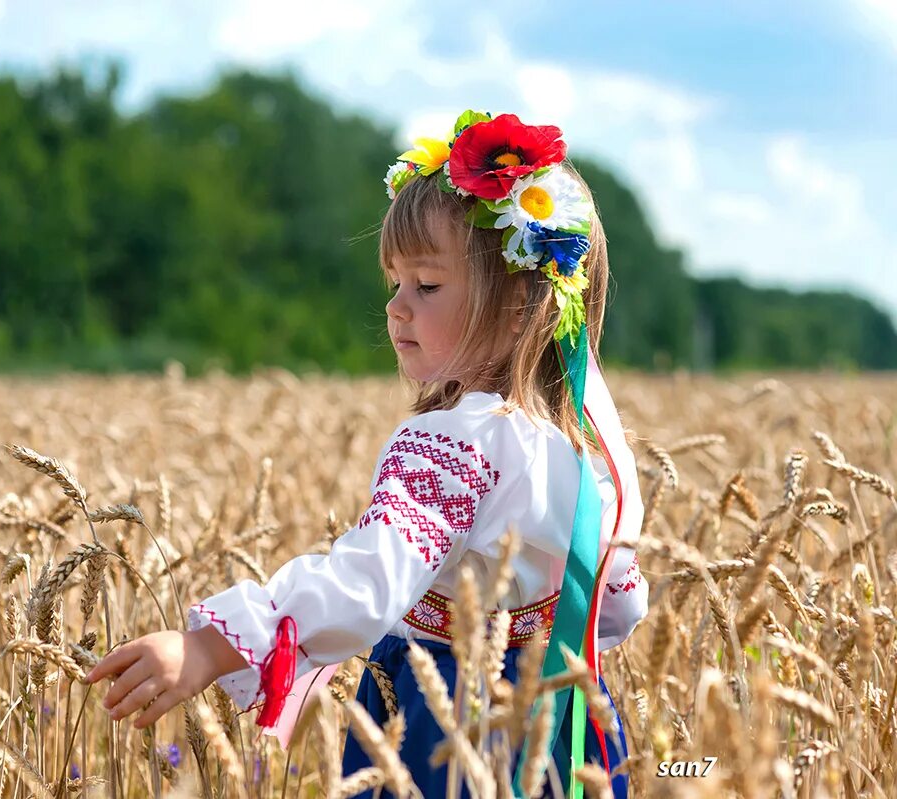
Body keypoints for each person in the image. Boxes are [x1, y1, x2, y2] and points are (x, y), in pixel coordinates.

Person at [83, 110, 649, 798]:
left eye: (427, 285)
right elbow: (615, 603)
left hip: (446, 723)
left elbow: (369, 578)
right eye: (395, 284)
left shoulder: (454, 441)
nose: (398, 308)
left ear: (518, 306)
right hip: (564, 717)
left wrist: (210, 645)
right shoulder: (579, 440)